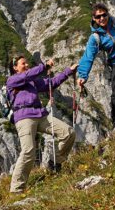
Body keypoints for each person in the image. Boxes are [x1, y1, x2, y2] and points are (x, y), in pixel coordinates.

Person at [7, 55, 76, 194]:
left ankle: (55, 162)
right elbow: (27, 75)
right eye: (23, 63)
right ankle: (16, 189)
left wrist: (68, 71)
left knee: (68, 133)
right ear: (15, 68)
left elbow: (51, 83)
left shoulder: (32, 82)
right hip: (24, 117)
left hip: (40, 114)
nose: (26, 65)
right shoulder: (12, 80)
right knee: (28, 151)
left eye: (27, 63)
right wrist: (44, 66)